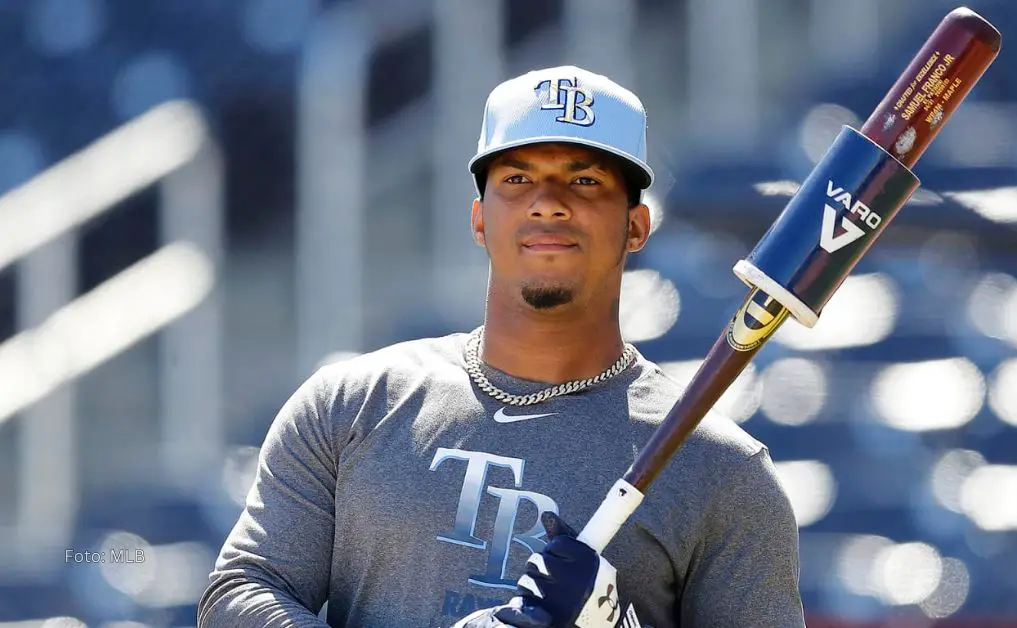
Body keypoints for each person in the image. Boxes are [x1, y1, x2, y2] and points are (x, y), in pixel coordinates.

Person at [197, 65, 806, 628]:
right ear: (480, 218)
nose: (548, 201)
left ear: (636, 226)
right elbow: (240, 595)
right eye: (517, 178)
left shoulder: (724, 472)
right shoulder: (353, 403)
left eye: (585, 180)